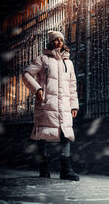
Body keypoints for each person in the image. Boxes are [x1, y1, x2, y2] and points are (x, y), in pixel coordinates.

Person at [22, 30, 79, 181]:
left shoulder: (69, 63)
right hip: (46, 103)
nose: (59, 42)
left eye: (61, 39)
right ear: (51, 42)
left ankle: (66, 170)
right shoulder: (43, 59)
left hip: (65, 105)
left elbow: (72, 85)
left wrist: (74, 105)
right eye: (56, 39)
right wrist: (37, 89)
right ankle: (43, 167)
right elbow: (26, 73)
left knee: (65, 134)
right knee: (42, 135)